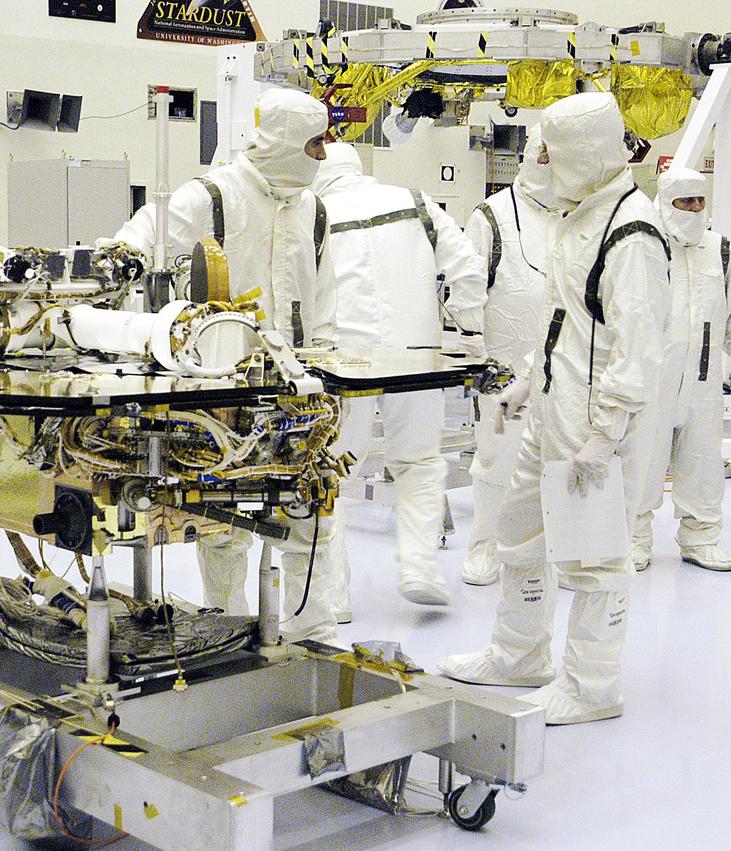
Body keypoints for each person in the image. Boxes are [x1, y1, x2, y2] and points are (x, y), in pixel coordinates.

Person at [437, 93, 671, 725]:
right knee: (518, 530)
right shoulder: (579, 218)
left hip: (595, 423)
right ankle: (520, 655)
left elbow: (640, 343)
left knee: (594, 555)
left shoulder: (633, 232)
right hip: (552, 407)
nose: (539, 161)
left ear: (585, 155)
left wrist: (607, 432)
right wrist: (528, 383)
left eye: (549, 151)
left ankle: (593, 688)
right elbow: (561, 319)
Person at [109, 87, 341, 644]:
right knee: (226, 521)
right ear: (284, 142)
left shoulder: (312, 209)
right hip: (221, 393)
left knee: (311, 513)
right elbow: (137, 239)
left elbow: (325, 297)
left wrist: (327, 377)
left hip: (293, 389)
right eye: (314, 144)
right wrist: (122, 268)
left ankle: (314, 635)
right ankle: (229, 630)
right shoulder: (211, 197)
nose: (322, 157)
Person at [310, 141, 488, 614]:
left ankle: (333, 597)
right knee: (420, 462)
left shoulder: (312, 212)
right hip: (418, 356)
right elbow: (468, 268)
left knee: (329, 471)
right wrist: (469, 335)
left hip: (345, 364)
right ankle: (419, 569)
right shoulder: (414, 201)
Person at [631, 166, 731, 572]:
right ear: (666, 202)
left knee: (702, 461)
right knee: (642, 460)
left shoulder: (717, 249)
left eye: (700, 201)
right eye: (685, 202)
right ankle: (634, 539)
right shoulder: (644, 245)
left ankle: (700, 538)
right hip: (654, 376)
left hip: (704, 377)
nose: (694, 209)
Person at [460, 131, 560, 587]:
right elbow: (466, 290)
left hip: (560, 368)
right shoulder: (492, 215)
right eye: (542, 151)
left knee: (558, 459)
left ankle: (550, 550)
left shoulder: (578, 214)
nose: (548, 160)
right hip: (500, 365)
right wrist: (474, 353)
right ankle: (485, 546)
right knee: (498, 460)